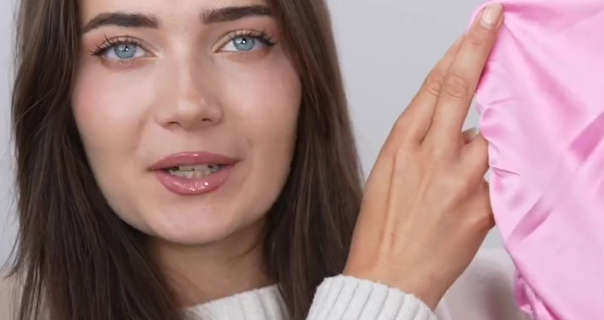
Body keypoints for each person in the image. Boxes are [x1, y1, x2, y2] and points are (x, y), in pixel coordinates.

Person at [0, 0, 528, 319]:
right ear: (58, 87)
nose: (189, 105)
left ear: (306, 73)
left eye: (243, 40)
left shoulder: (501, 297)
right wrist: (385, 294)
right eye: (123, 48)